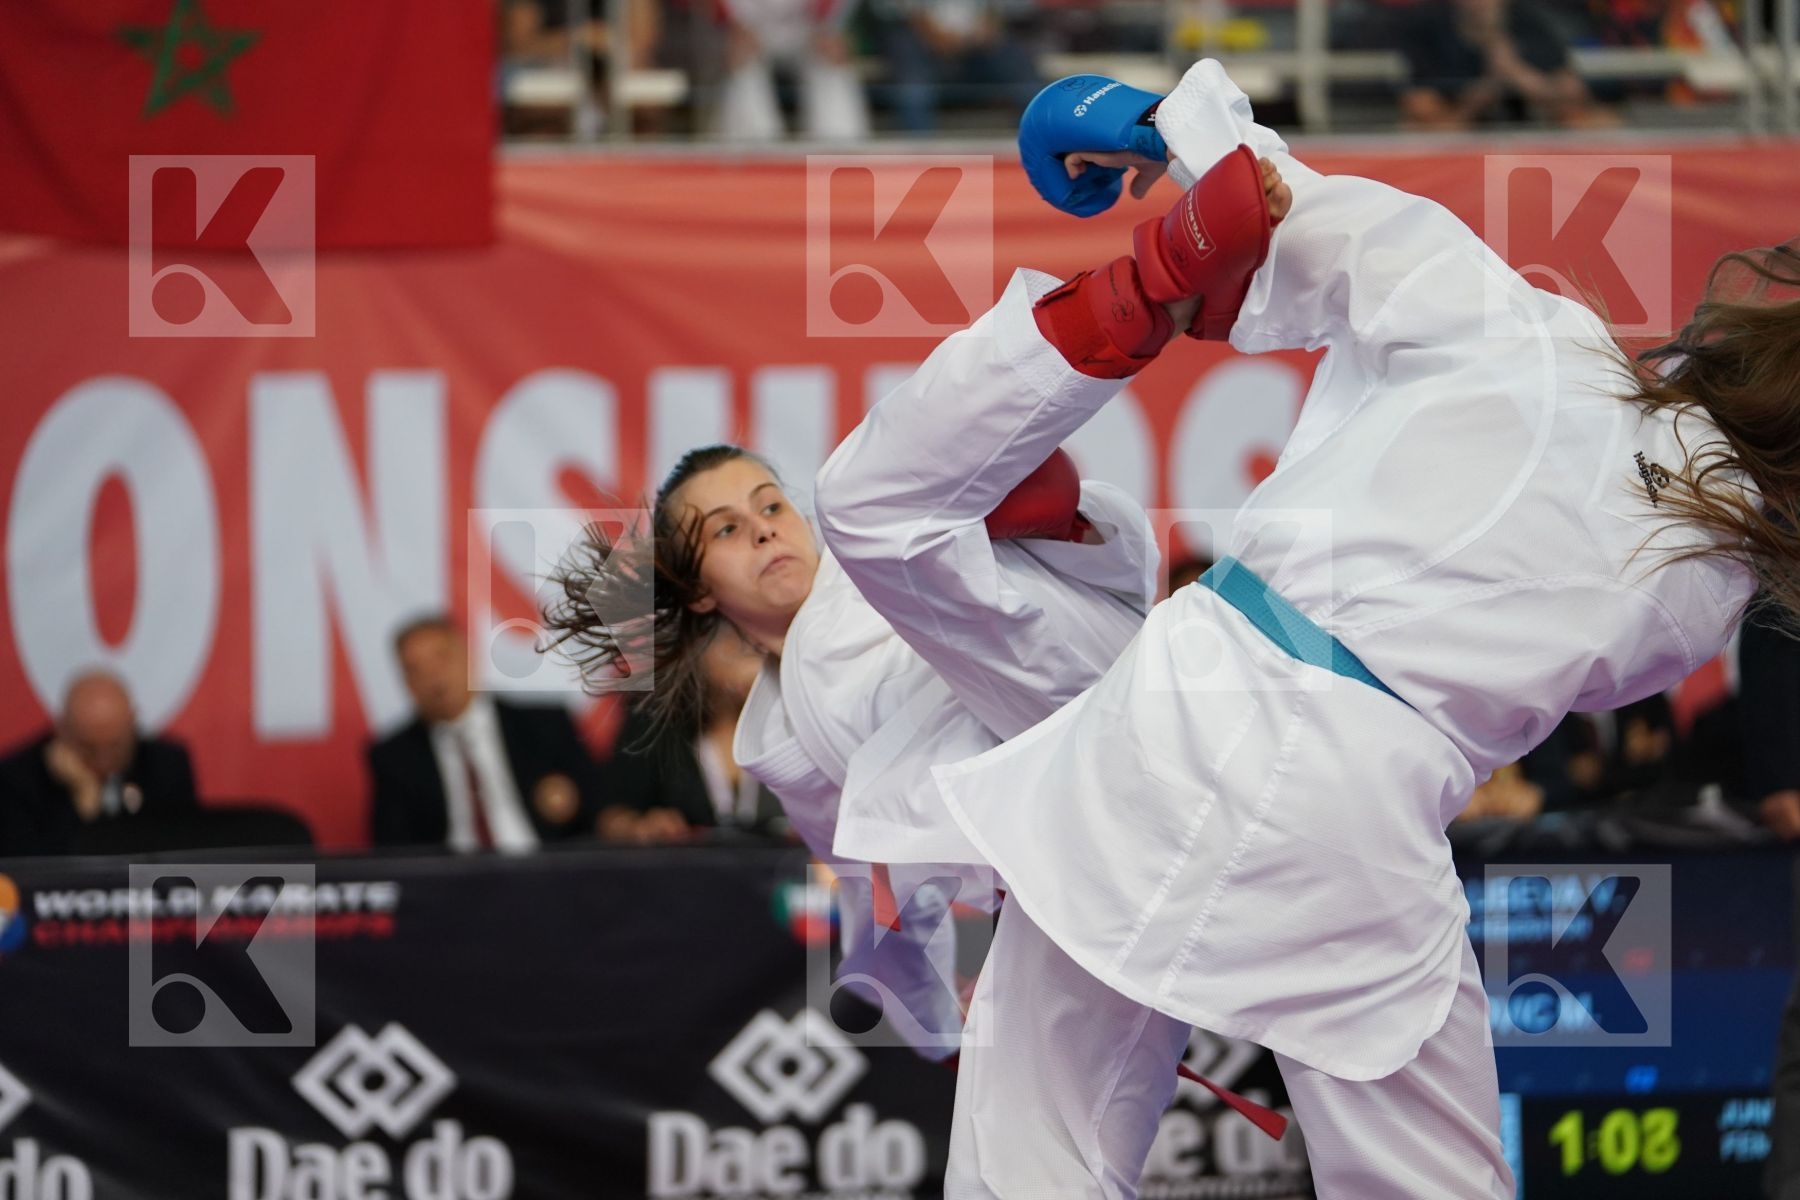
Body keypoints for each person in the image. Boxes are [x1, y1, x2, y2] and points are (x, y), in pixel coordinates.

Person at [891, 60, 1792, 1196]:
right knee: (1427, 1179)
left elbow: (1288, 218)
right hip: (1360, 802)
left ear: (1713, 346)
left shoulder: (1536, 341)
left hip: (1174, 713)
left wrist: (1165, 129)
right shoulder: (1703, 587)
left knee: (1032, 1144)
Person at [543, 441, 1164, 1065]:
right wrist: (938, 1020)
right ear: (701, 593)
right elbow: (874, 895)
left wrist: (1069, 526)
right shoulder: (777, 739)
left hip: (1135, 785)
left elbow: (1081, 608)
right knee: (1023, 1147)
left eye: (771, 507)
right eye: (728, 528)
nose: (763, 531)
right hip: (1067, 900)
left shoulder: (894, 558)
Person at [367, 614, 603, 852]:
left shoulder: (544, 725)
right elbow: (392, 851)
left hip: (542, 874)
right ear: (405, 682)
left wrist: (571, 801)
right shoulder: (395, 757)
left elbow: (599, 807)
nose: (432, 676)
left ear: (468, 655)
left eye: (441, 657)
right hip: (451, 884)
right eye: (415, 669)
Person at [600, 627, 789, 842]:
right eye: (733, 643)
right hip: (683, 868)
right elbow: (611, 815)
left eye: (756, 647)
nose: (749, 654)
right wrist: (641, 827)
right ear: (694, 650)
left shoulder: (794, 719)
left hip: (786, 867)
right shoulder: (654, 719)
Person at [0, 671, 199, 857]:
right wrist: (84, 798)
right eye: (88, 749)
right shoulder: (18, 780)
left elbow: (181, 850)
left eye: (115, 746)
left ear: (132, 723)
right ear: (61, 730)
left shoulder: (166, 766)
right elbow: (32, 870)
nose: (104, 761)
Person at [1397, 0, 1615, 130]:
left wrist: (1517, 74)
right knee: (1417, 130)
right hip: (1462, 135)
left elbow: (1573, 94)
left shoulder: (1528, 21)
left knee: (1597, 122)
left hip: (1534, 130)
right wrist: (1483, 92)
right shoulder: (1430, 27)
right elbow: (1420, 107)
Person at [713, 0, 870, 142]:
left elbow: (832, 21)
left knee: (831, 66)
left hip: (809, 31)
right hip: (753, 29)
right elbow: (732, 18)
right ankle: (753, 150)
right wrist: (734, 25)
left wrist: (831, 27)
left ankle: (838, 148)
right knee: (743, 67)